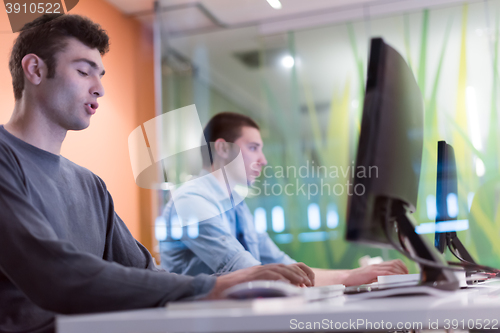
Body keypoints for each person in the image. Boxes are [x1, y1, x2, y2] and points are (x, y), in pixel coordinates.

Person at [0, 14, 314, 333]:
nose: (99, 89)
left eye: (101, 75)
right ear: (36, 70)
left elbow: (146, 274)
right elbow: (56, 276)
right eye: (83, 72)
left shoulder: (89, 185)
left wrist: (229, 287)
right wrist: (210, 288)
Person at [160, 112, 409, 286]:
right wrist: (346, 277)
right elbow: (247, 270)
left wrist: (353, 275)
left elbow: (283, 265)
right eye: (254, 147)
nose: (264, 159)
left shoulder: (237, 207)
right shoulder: (192, 200)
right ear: (223, 149)